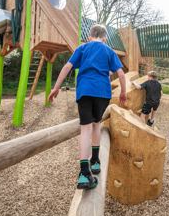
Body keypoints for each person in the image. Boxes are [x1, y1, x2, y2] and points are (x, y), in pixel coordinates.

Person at [48, 24, 126, 190]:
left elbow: (67, 66)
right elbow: (120, 73)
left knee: (85, 129)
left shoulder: (82, 48)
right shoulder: (108, 50)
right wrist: (123, 93)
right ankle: (95, 162)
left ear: (90, 36)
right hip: (103, 92)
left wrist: (56, 87)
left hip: (84, 91)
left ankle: (84, 173)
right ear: (104, 37)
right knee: (97, 124)